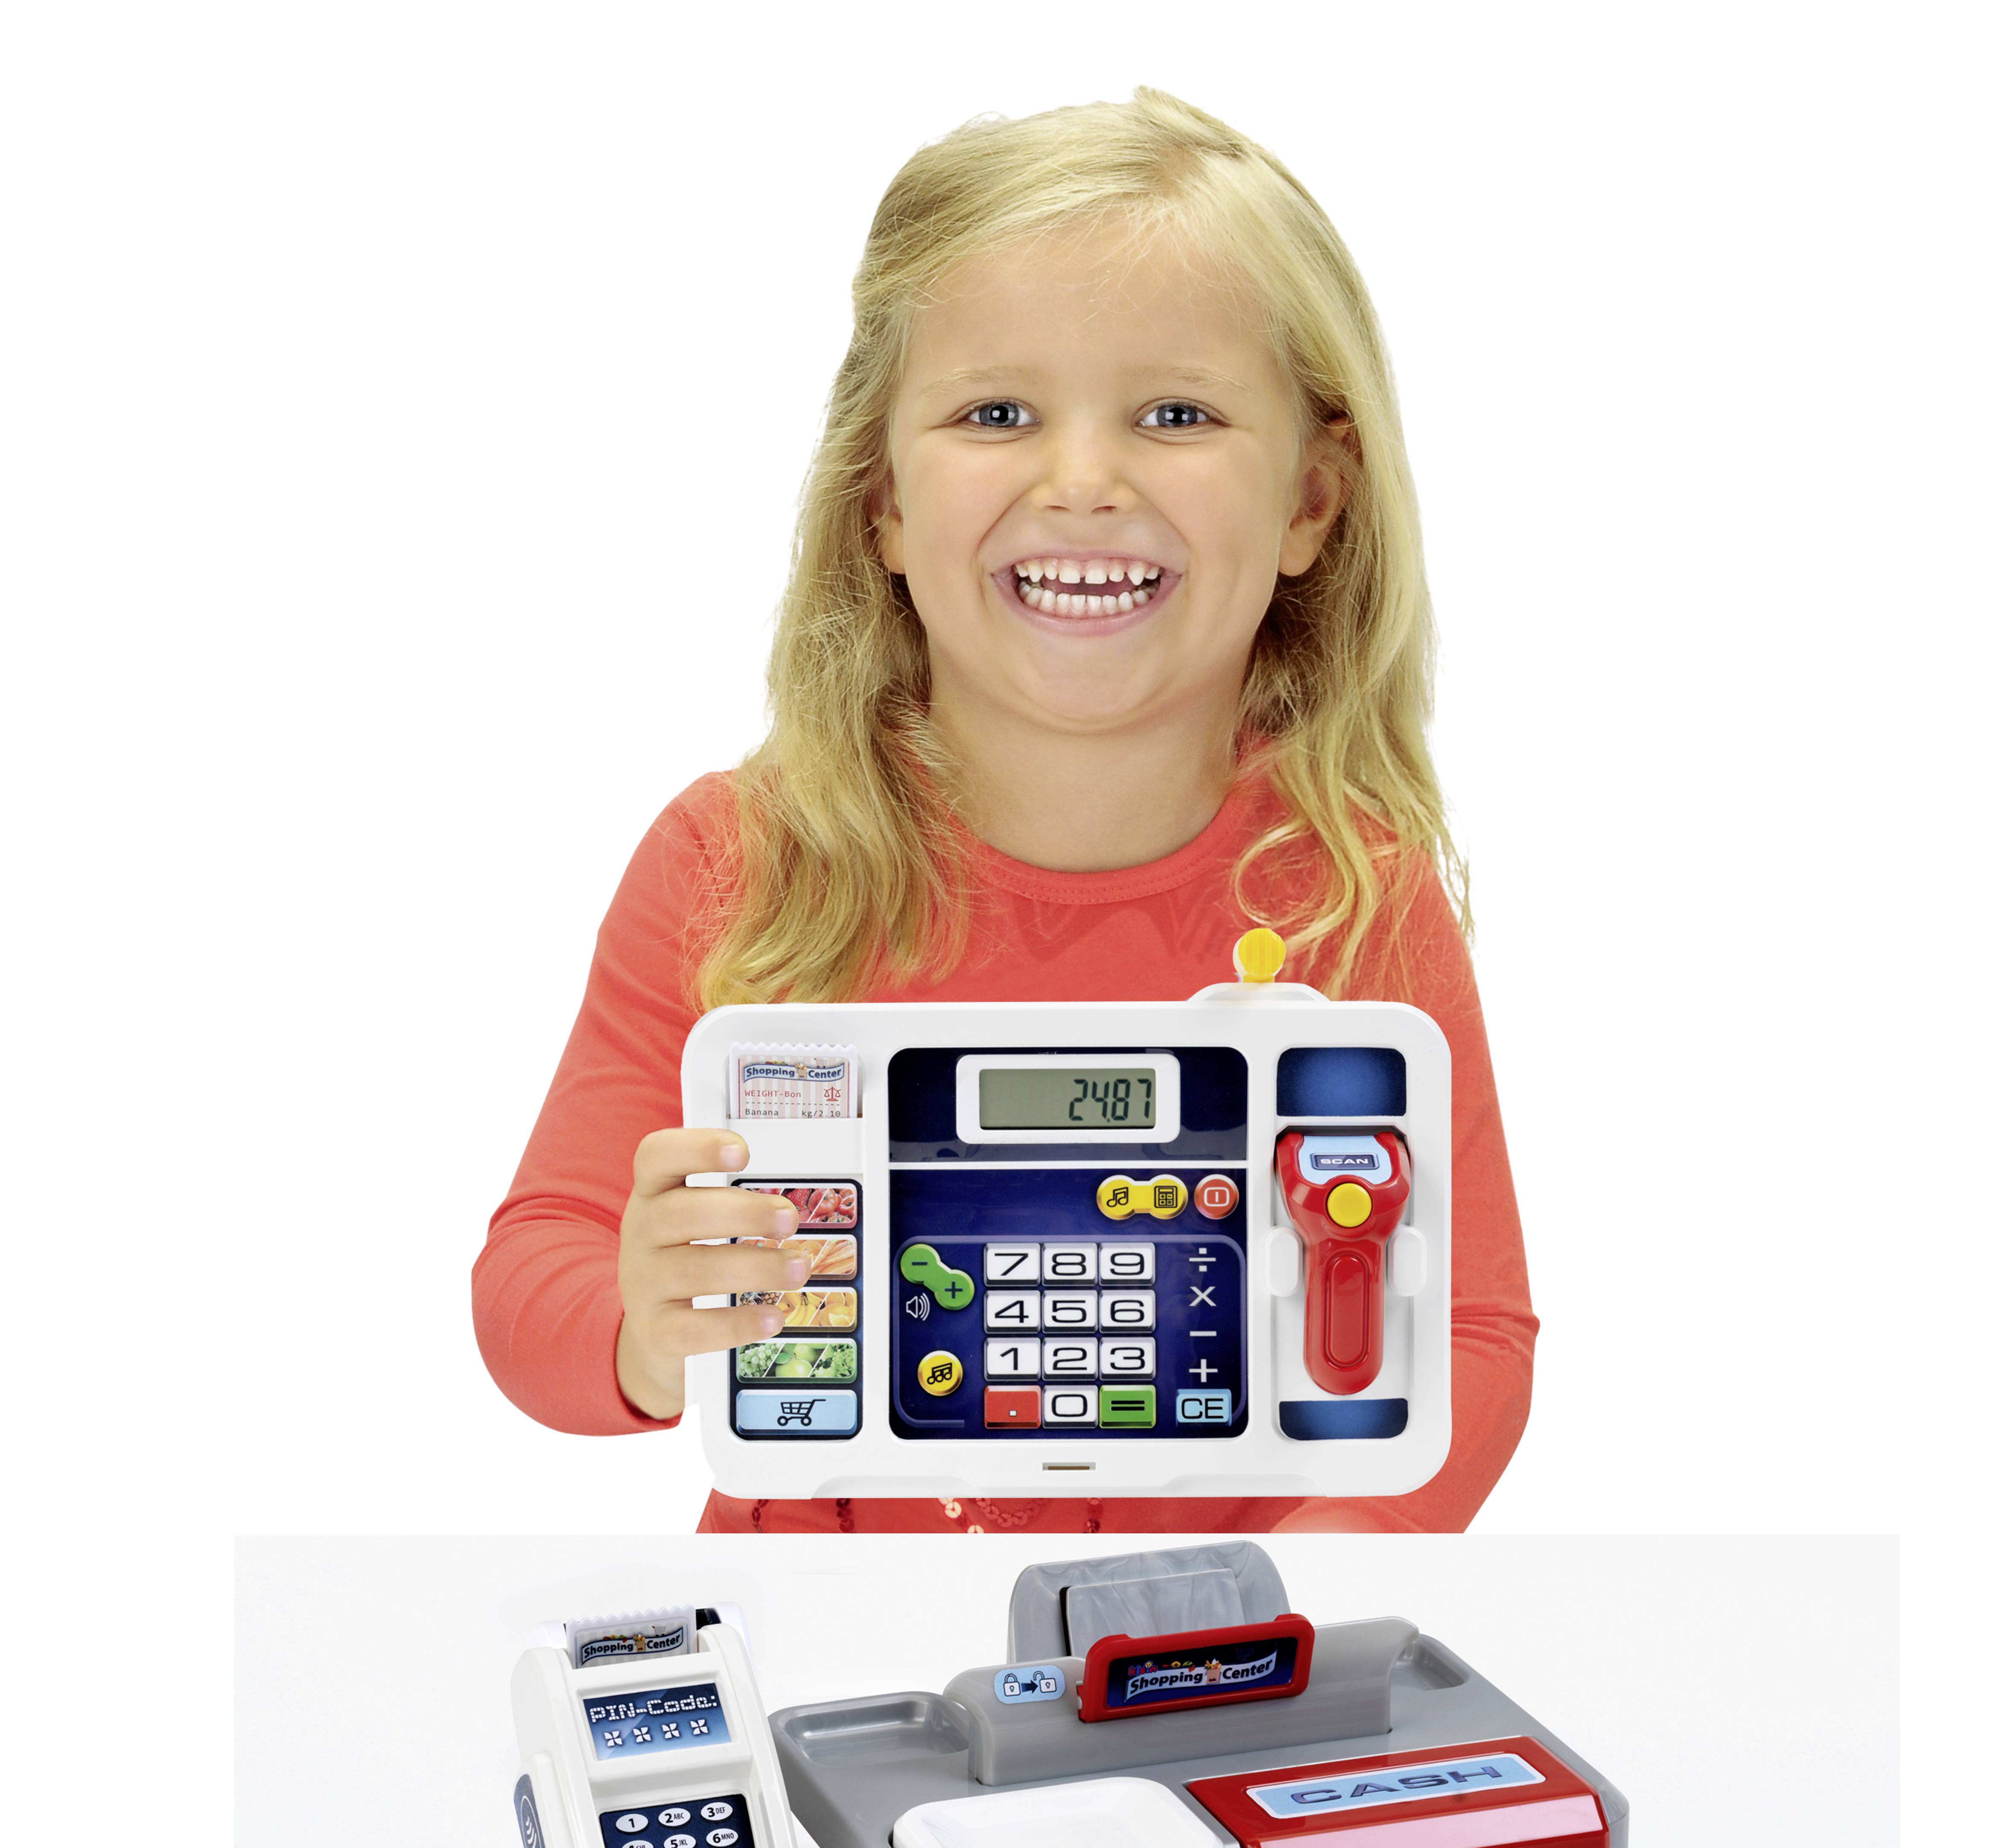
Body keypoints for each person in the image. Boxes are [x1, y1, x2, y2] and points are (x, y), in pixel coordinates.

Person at [474, 88, 1537, 1535]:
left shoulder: (1351, 888)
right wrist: (638, 1324)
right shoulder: (738, 861)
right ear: (884, 508)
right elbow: (536, 1266)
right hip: (832, 1645)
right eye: (996, 413)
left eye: (1177, 413)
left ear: (1313, 501)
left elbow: (1471, 1338)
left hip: (1208, 1668)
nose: (1083, 480)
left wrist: (1304, 1584)